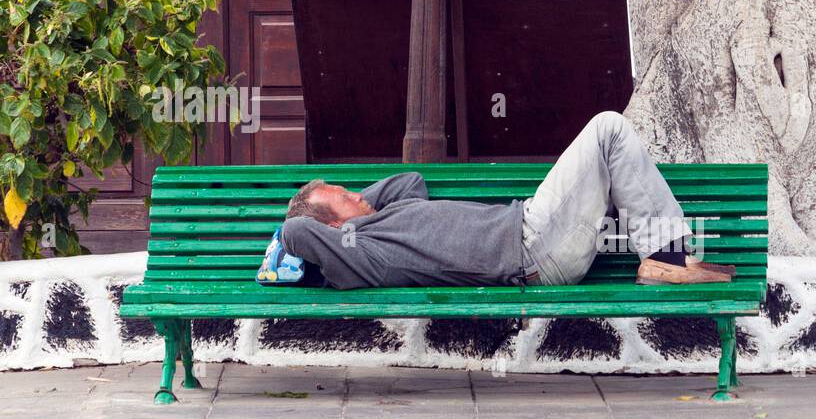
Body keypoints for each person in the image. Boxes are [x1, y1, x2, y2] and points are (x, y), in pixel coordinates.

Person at [280, 111, 735, 289]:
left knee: (609, 149)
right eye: (343, 196)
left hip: (539, 236)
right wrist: (338, 223)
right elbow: (296, 230)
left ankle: (666, 257)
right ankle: (667, 257)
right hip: (531, 246)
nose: (356, 194)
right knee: (608, 128)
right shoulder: (362, 254)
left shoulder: (384, 218)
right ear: (331, 229)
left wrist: (360, 207)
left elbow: (411, 179)